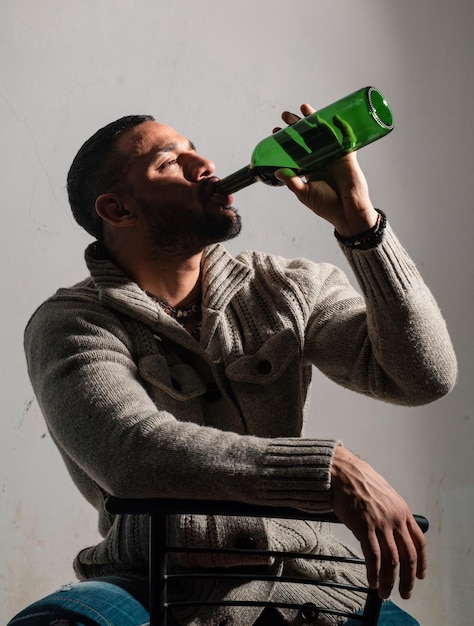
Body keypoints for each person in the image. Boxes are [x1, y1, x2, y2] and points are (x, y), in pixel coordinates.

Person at [8, 103, 457, 626]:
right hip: (150, 583)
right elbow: (131, 453)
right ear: (118, 210)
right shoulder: (70, 323)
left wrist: (361, 224)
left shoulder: (290, 285)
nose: (204, 163)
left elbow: (422, 377)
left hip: (307, 579)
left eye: (195, 148)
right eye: (169, 162)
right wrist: (327, 469)